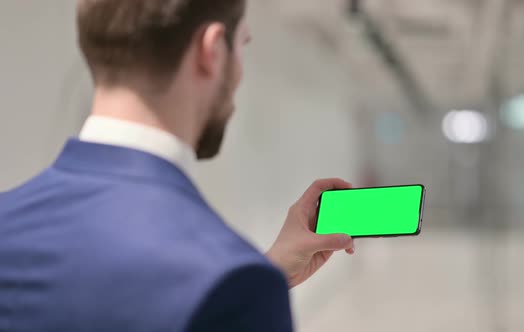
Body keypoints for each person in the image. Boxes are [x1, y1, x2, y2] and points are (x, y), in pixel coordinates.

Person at [0, 1, 355, 331]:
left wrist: (268, 268)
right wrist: (254, 288)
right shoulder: (236, 284)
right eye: (242, 45)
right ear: (212, 51)